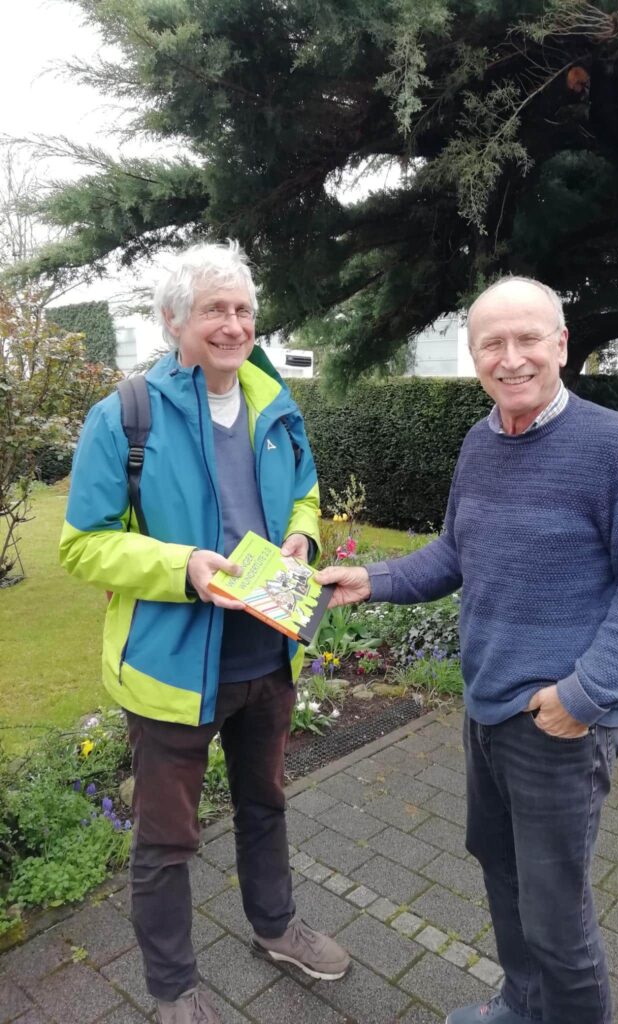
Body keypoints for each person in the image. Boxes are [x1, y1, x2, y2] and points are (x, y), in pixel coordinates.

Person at [316, 276, 618, 1024]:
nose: (511, 358)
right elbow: (456, 552)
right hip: (484, 710)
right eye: (493, 343)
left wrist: (583, 698)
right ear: (475, 353)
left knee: (557, 913)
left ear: (560, 345)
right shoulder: (479, 444)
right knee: (501, 873)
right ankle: (521, 1005)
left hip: (558, 725)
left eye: (527, 340)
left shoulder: (616, 447)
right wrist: (372, 578)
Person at [60, 242, 350, 1024]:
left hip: (269, 653)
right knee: (165, 842)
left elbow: (306, 495)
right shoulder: (125, 415)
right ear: (173, 320)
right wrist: (183, 564)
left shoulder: (274, 403)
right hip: (173, 667)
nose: (233, 325)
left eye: (244, 310)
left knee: (266, 805)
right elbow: (82, 543)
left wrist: (302, 541)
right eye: (215, 310)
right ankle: (173, 990)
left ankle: (276, 926)